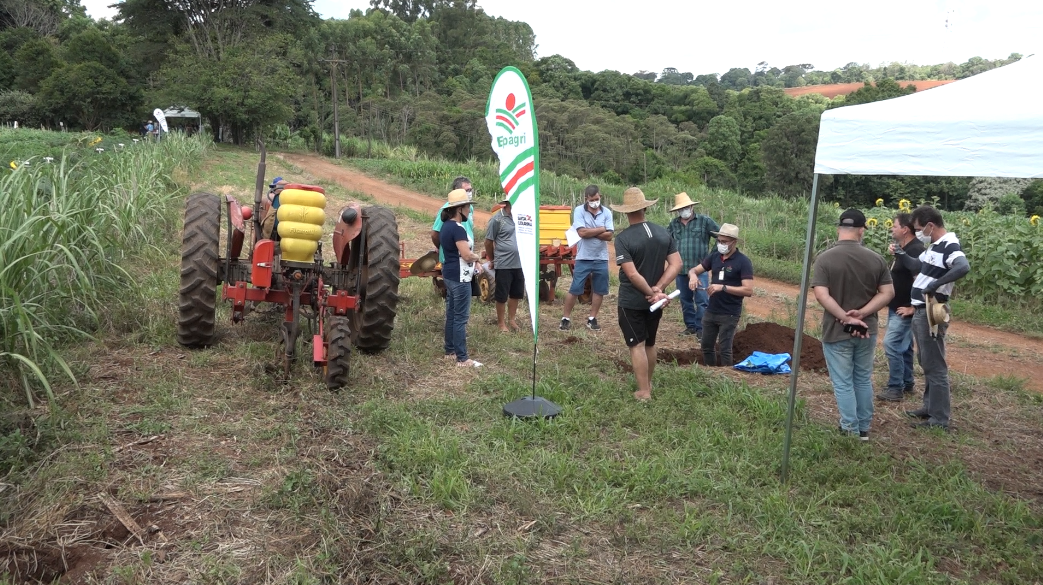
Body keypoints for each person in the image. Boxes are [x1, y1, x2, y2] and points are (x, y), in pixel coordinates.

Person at [811, 209, 894, 441]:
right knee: (862, 377)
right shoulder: (876, 259)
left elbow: (821, 295)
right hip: (867, 329)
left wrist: (845, 318)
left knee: (843, 381)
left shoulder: (824, 259)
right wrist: (863, 313)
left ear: (839, 229)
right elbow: (888, 293)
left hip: (836, 331)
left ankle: (849, 428)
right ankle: (864, 428)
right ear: (861, 230)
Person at [611, 187, 682, 401]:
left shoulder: (623, 239)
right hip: (656, 302)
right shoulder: (663, 233)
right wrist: (659, 289)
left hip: (632, 300)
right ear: (644, 208)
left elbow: (632, 275)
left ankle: (643, 391)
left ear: (625, 211)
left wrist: (650, 292)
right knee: (650, 342)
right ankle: (647, 383)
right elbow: (676, 263)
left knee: (637, 345)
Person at [905, 205, 970, 431]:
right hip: (923, 309)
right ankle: (930, 407)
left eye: (919, 229)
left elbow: (963, 266)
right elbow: (916, 265)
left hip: (932, 307)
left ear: (931, 225)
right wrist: (900, 253)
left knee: (935, 364)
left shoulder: (950, 244)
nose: (918, 233)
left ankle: (939, 419)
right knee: (927, 361)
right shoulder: (935, 246)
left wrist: (937, 283)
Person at [687, 223, 753, 367]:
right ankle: (711, 371)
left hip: (729, 313)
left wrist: (723, 287)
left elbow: (748, 290)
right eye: (719, 241)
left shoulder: (743, 262)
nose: (721, 244)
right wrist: (693, 276)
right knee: (706, 346)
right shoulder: (715, 257)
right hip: (711, 310)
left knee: (725, 349)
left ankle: (726, 376)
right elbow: (694, 270)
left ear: (734, 242)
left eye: (724, 242)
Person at [876, 212, 926, 402]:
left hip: (904, 309)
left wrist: (913, 308)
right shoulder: (905, 248)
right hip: (897, 306)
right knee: (904, 347)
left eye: (895, 226)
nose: (892, 228)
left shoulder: (916, 251)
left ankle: (895, 388)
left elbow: (921, 281)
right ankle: (907, 383)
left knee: (892, 344)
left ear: (905, 229)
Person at [560, 185, 614, 331]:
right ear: (586, 199)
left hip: (601, 257)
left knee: (599, 289)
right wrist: (602, 228)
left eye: (597, 199)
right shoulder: (579, 210)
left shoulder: (607, 212)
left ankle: (592, 318)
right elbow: (581, 233)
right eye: (592, 200)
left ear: (600, 197)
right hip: (583, 257)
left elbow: (609, 236)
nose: (595, 202)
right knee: (575, 288)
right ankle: (565, 318)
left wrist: (590, 231)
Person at [440, 189, 483, 368]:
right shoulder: (457, 229)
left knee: (451, 314)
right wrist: (478, 258)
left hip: (449, 275)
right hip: (461, 278)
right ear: (460, 209)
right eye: (467, 207)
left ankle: (450, 350)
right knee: (460, 318)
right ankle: (463, 359)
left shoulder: (445, 227)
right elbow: (466, 255)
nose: (469, 210)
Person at [668, 192, 719, 338]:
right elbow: (666, 241)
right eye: (681, 209)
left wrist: (712, 257)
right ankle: (690, 326)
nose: (684, 210)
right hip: (681, 269)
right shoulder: (673, 224)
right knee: (685, 299)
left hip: (700, 268)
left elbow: (721, 236)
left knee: (702, 299)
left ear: (691, 207)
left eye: (686, 207)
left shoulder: (704, 221)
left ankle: (701, 329)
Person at [485, 193, 524, 332]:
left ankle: (512, 320)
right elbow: (488, 241)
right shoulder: (497, 220)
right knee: (501, 294)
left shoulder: (522, 217)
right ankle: (501, 323)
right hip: (504, 263)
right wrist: (493, 259)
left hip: (520, 263)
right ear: (508, 203)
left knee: (516, 293)